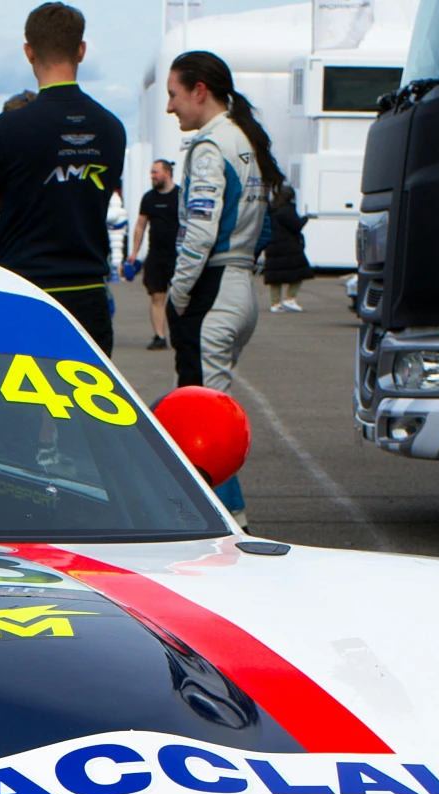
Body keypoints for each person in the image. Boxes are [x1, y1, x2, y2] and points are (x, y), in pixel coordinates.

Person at [0, 4, 127, 353]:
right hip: (88, 291)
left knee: (12, 405)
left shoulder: (9, 128)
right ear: (81, 50)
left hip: (24, 289)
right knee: (86, 407)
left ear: (29, 51)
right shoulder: (111, 127)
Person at [163, 49, 277, 520]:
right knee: (210, 410)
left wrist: (178, 293)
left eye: (173, 95)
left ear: (199, 91)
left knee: (202, 423)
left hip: (213, 289)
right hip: (241, 284)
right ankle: (222, 519)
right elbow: (266, 228)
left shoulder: (211, 146)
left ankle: (227, 523)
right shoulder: (246, 139)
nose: (170, 107)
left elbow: (200, 231)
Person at [130, 160, 179, 349]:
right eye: (151, 173)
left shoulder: (180, 196)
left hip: (179, 256)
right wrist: (134, 252)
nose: (152, 176)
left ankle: (181, 334)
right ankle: (160, 336)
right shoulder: (149, 198)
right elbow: (140, 226)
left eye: (155, 172)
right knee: (157, 297)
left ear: (167, 173)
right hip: (156, 256)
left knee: (180, 298)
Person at [261, 183, 310, 312]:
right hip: (289, 246)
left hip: (273, 245)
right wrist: (305, 219)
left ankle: (275, 303)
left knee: (275, 277)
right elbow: (295, 226)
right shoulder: (287, 209)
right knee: (299, 272)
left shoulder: (271, 209)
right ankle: (290, 298)